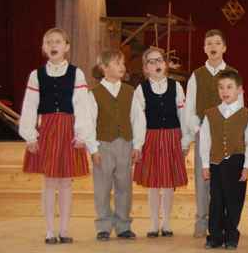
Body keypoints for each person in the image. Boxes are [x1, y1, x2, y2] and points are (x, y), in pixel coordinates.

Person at [19, 28, 91, 244]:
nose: (53, 45)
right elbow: (30, 106)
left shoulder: (76, 74)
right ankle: (50, 230)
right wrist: (30, 135)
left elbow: (82, 104)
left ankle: (64, 230)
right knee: (49, 182)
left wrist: (82, 133)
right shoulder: (36, 75)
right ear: (43, 47)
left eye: (58, 41)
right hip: (48, 130)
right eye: (49, 42)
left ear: (66, 47)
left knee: (66, 182)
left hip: (68, 129)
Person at [185, 29, 239, 238]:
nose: (213, 46)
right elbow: (189, 107)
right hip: (204, 133)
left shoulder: (232, 73)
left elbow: (239, 106)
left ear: (224, 47)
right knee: (203, 180)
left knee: (225, 179)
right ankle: (201, 222)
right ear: (204, 48)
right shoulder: (197, 75)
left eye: (217, 43)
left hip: (227, 136)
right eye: (209, 43)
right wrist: (197, 130)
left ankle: (224, 222)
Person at [132, 47, 188, 238]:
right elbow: (138, 119)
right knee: (154, 183)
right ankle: (154, 223)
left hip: (172, 137)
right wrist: (138, 144)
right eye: (151, 61)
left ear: (165, 64)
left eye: (159, 60)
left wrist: (184, 141)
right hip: (152, 138)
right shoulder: (141, 89)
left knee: (168, 183)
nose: (156, 64)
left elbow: (183, 114)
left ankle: (167, 223)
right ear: (145, 68)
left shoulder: (176, 86)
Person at [200, 70, 248, 250]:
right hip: (216, 163)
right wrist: (205, 164)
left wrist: (247, 166)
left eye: (229, 87)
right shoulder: (210, 114)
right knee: (216, 201)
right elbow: (205, 141)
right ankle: (215, 236)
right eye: (221, 87)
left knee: (234, 201)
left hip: (237, 163)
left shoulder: (247, 115)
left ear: (239, 90)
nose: (225, 91)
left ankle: (231, 235)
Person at [87, 50, 139, 241]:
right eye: (117, 63)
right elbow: (88, 122)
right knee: (102, 187)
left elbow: (137, 119)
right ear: (104, 67)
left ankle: (123, 225)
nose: (122, 67)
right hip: (103, 145)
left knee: (124, 186)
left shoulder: (130, 92)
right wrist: (93, 148)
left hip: (125, 143)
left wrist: (137, 145)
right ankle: (103, 225)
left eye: (123, 63)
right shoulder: (94, 94)